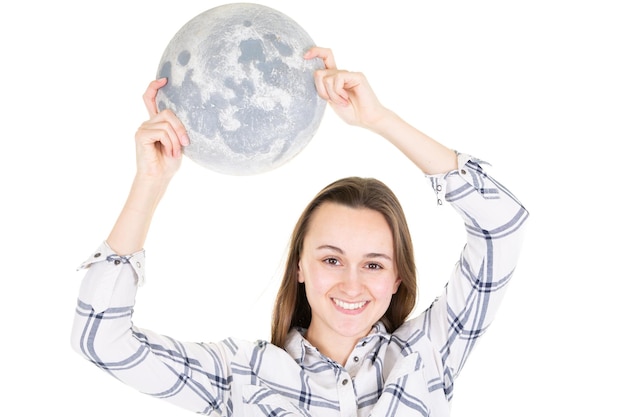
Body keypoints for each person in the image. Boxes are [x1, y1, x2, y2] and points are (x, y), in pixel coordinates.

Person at [71, 47, 528, 416]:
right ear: (301, 268)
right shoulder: (242, 375)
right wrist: (149, 184)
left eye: (373, 264)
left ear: (397, 279)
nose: (352, 284)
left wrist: (379, 120)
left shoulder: (428, 354)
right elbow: (102, 340)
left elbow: (500, 224)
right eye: (331, 259)